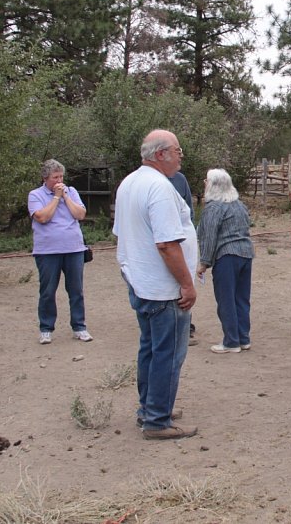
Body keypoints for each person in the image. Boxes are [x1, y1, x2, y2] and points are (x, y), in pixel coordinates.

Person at [113, 130, 199, 440]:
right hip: (163, 288)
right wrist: (186, 284)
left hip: (141, 281)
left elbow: (122, 233)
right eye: (177, 150)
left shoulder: (130, 183)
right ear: (161, 154)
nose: (181, 156)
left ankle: (150, 408)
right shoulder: (159, 188)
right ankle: (157, 421)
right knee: (168, 353)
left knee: (150, 348)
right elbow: (167, 244)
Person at [28, 159, 91, 345]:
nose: (59, 181)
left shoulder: (71, 191)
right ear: (45, 178)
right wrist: (55, 198)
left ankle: (79, 327)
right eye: (55, 177)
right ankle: (46, 328)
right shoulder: (35, 195)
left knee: (76, 290)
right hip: (47, 251)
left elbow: (80, 214)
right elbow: (42, 217)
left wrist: (66, 197)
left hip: (74, 248)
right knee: (48, 291)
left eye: (61, 177)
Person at [197, 169, 255, 354]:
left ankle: (231, 342)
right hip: (246, 255)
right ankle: (243, 338)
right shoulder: (239, 205)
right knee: (241, 299)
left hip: (227, 257)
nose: (204, 183)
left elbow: (209, 237)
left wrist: (204, 262)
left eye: (206, 180)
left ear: (214, 185)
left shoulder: (214, 207)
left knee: (226, 299)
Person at [169, 171, 199, 346]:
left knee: (184, 280)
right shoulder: (149, 182)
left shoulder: (179, 179)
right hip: (162, 241)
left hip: (180, 238)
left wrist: (187, 233)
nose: (180, 158)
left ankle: (185, 326)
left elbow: (189, 209)